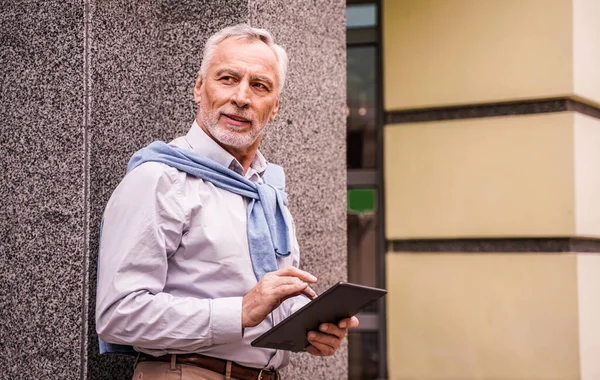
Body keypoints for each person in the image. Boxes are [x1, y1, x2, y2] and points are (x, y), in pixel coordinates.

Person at [95, 24, 359, 380]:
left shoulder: (268, 190)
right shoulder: (159, 179)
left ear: (275, 106)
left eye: (259, 85)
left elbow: (264, 305)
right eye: (228, 78)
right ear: (199, 88)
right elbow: (118, 315)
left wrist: (310, 331)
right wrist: (240, 312)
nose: (241, 97)